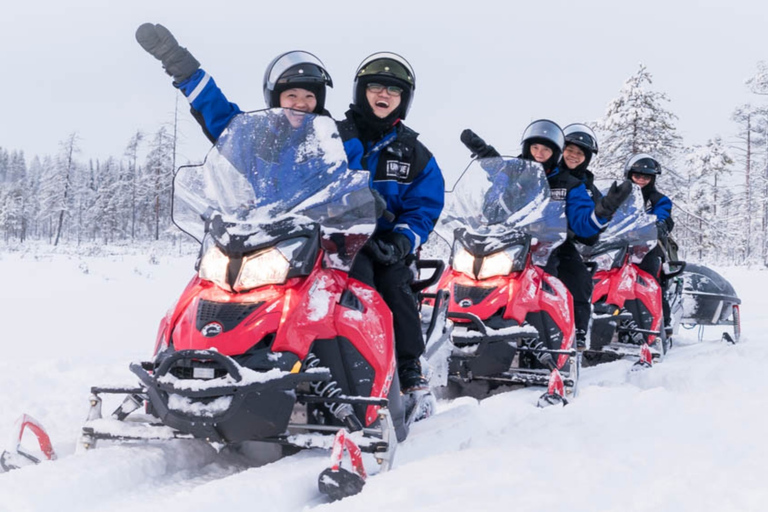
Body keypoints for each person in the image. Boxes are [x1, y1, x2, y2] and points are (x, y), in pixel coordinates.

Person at [460, 120, 632, 359]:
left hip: (551, 245)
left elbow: (585, 224)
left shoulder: (570, 184)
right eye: (535, 148)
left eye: (546, 150)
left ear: (555, 153)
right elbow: (498, 169)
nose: (539, 154)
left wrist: (605, 209)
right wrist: (484, 153)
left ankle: (568, 335)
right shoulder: (516, 171)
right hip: (508, 240)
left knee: (575, 278)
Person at [339, 52, 445, 392]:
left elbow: (424, 207)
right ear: (361, 92)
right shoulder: (333, 135)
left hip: (380, 243)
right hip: (325, 235)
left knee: (391, 282)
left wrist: (401, 241)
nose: (383, 95)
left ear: (404, 100)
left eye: (393, 91)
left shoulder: (415, 154)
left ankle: (407, 363)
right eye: (376, 87)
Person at [555, 123, 603, 349]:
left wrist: (604, 215)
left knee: (579, 278)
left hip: (559, 241)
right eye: (570, 150)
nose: (573, 156)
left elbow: (595, 216)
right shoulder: (544, 170)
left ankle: (579, 331)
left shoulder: (588, 187)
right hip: (522, 238)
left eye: (579, 153)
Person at [624, 153, 675, 334]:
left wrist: (659, 224)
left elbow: (664, 214)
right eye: (637, 176)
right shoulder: (619, 194)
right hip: (618, 245)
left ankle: (663, 321)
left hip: (647, 247)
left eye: (646, 177)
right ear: (629, 175)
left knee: (650, 277)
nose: (641, 180)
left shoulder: (658, 199)